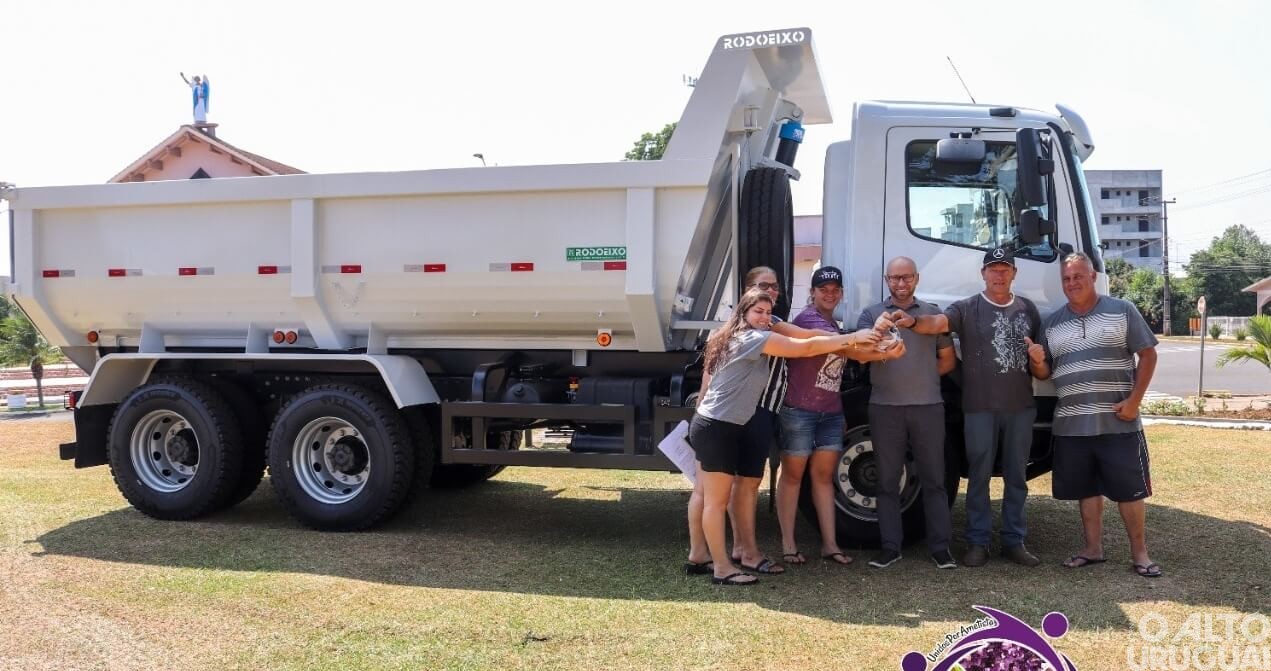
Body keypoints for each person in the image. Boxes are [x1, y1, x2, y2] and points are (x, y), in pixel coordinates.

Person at [686, 287, 880, 585]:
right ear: (743, 313)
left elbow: (804, 339)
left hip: (722, 424)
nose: (764, 318)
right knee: (715, 501)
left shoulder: (735, 335)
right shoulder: (753, 338)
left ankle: (700, 558)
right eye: (758, 312)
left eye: (768, 312)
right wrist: (853, 338)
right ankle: (722, 569)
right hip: (717, 426)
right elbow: (805, 347)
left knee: (715, 498)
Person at [893, 245, 1047, 568]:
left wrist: (1038, 362)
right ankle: (978, 543)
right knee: (978, 477)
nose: (999, 274)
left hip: (1020, 408)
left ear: (1014, 273)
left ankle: (1014, 541)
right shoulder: (966, 308)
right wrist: (910, 322)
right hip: (978, 409)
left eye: (1005, 268)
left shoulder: (1029, 310)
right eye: (993, 268)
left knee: (1017, 477)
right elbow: (936, 324)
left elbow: (1043, 371)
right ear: (983, 274)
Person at [1035, 252, 1161, 578]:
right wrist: (1036, 360)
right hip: (1072, 424)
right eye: (1066, 278)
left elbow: (1147, 355)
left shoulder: (1122, 310)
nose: (1072, 283)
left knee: (1130, 491)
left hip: (1118, 421)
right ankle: (1092, 549)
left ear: (1093, 277)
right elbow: (1046, 371)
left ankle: (1141, 554)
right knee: (1086, 490)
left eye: (1078, 276)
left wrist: (1134, 401)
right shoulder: (1052, 322)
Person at [775, 266, 903, 568]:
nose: (829, 294)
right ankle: (788, 544)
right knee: (793, 477)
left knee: (822, 478)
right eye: (823, 289)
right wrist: (880, 345)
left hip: (830, 413)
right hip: (799, 411)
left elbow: (852, 352)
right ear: (813, 293)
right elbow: (844, 346)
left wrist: (886, 352)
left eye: (835, 289)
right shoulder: (809, 320)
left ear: (841, 293)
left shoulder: (836, 323)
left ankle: (830, 545)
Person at [855, 257, 957, 569]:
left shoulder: (933, 314)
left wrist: (922, 378)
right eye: (895, 278)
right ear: (887, 280)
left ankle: (940, 548)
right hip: (885, 408)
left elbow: (948, 361)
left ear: (916, 278)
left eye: (907, 277)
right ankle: (890, 548)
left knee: (934, 479)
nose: (901, 284)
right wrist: (877, 331)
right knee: (887, 481)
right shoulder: (871, 314)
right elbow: (859, 355)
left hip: (928, 407)